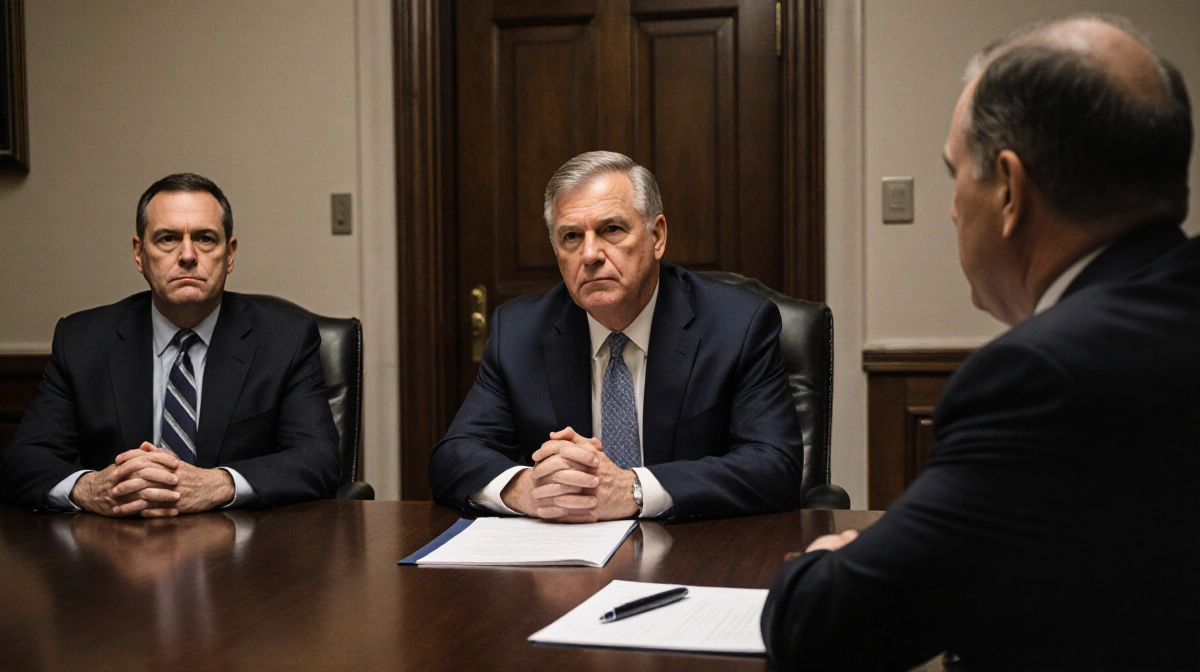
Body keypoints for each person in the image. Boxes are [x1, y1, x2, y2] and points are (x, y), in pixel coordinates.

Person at [762, 14, 1200, 669]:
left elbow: (826, 624)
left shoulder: (1042, 379)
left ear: (1010, 191)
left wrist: (823, 562)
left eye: (954, 174)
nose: (951, 208)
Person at [429, 151, 804, 522]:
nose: (590, 254)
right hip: (567, 569)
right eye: (572, 236)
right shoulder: (519, 332)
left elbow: (774, 466)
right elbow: (453, 457)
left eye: (611, 230)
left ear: (656, 236)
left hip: (696, 556)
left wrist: (633, 490)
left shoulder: (737, 325)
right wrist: (526, 488)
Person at [0, 173, 340, 516]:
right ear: (139, 254)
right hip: (115, 552)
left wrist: (220, 484)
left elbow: (318, 460)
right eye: (167, 239)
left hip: (243, 551)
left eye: (205, 239)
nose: (188, 255)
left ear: (230, 253)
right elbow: (23, 461)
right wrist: (91, 488)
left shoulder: (285, 341)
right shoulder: (83, 341)